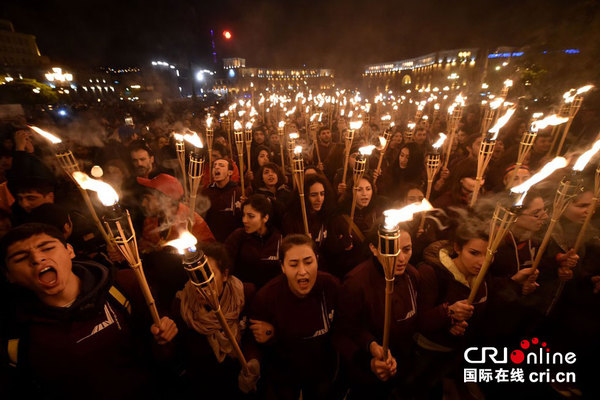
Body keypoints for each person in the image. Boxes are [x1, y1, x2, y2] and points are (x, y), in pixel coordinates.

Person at [0, 223, 178, 399]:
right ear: (9, 275)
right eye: (21, 258)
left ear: (69, 251)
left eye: (46, 248)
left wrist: (165, 335)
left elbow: (165, 351)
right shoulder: (14, 330)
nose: (37, 259)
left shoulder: (124, 284)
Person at [249, 234, 341, 400]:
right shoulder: (266, 297)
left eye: (308, 262)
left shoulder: (331, 286)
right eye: (293, 264)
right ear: (283, 267)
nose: (302, 271)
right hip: (283, 375)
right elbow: (252, 342)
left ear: (317, 260)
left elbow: (345, 328)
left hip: (323, 371)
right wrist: (256, 355)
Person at [338, 223, 419, 399]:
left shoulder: (412, 275)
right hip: (366, 375)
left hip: (404, 365)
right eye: (393, 251)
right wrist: (370, 350)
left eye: (407, 249)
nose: (402, 259)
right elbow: (343, 333)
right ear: (374, 248)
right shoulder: (355, 283)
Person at [414, 213, 489, 399]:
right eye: (474, 253)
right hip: (426, 354)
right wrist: (448, 312)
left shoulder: (480, 279)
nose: (482, 261)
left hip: (455, 354)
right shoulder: (432, 272)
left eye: (488, 254)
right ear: (457, 248)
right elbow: (421, 321)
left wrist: (460, 325)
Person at [171, 242, 259, 397]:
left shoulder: (244, 295)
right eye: (195, 276)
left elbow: (252, 338)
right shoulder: (182, 305)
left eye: (208, 274)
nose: (200, 285)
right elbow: (175, 353)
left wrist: (253, 361)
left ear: (225, 275)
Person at [137, 173, 215, 254]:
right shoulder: (151, 219)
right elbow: (145, 244)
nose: (143, 203)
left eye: (148, 199)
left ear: (166, 201)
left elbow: (211, 254)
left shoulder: (192, 222)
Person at [225, 195, 282, 288]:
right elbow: (226, 264)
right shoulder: (238, 236)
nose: (244, 220)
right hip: (244, 294)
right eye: (243, 215)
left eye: (251, 216)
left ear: (265, 218)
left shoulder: (278, 239)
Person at [204, 158, 243, 242]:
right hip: (212, 240)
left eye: (221, 166)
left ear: (230, 172)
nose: (217, 167)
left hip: (233, 240)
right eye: (214, 166)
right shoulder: (206, 193)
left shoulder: (239, 192)